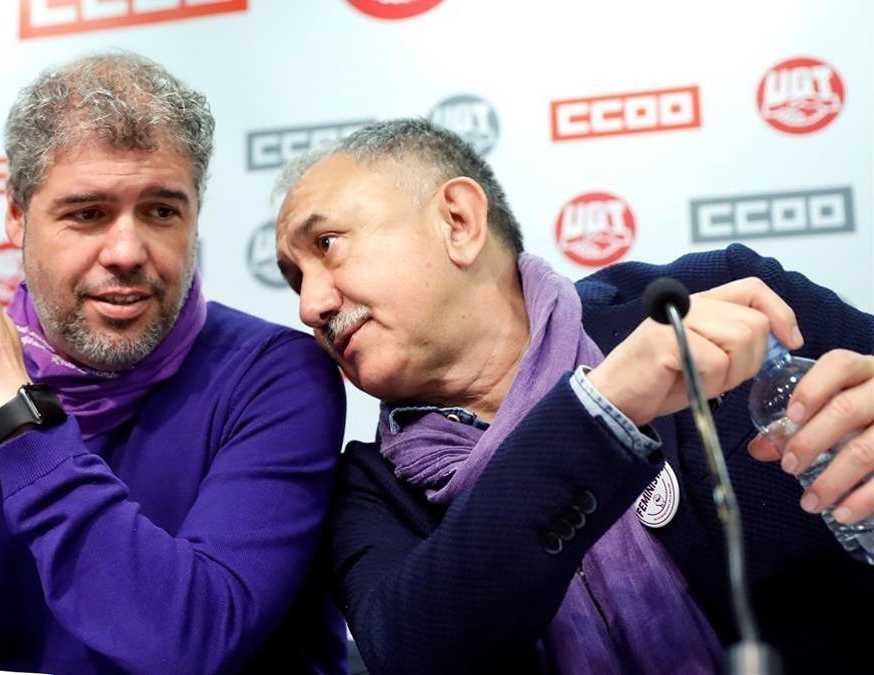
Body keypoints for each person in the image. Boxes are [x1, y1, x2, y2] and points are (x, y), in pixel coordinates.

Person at [0, 52, 348, 674]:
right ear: (16, 214)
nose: (126, 250)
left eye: (162, 211)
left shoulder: (275, 375)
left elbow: (186, 642)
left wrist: (15, 412)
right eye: (87, 214)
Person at [273, 118, 874, 674]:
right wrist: (600, 410)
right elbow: (417, 652)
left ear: (457, 221)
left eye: (325, 245)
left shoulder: (711, 296)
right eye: (296, 278)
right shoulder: (365, 491)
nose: (310, 305)